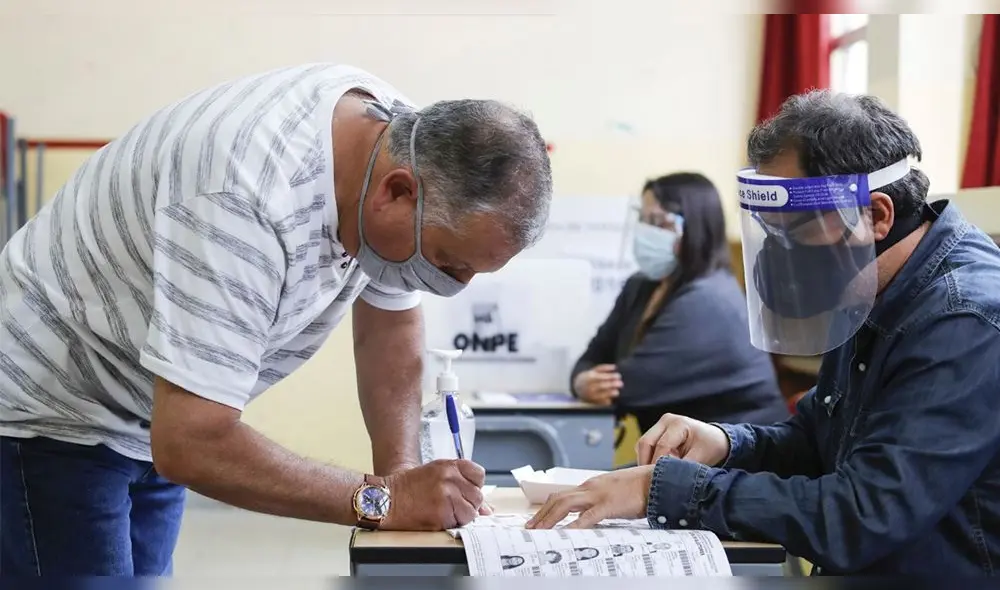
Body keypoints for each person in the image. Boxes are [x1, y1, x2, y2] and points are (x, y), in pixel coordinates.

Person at [0, 63, 552, 576]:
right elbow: (193, 441)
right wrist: (382, 500)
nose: (454, 287)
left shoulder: (401, 145)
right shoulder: (243, 195)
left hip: (150, 409)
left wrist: (401, 479)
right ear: (397, 192)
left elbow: (391, 322)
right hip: (54, 406)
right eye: (448, 263)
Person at [525, 90, 1000, 576]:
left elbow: (861, 516)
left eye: (794, 229)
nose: (780, 255)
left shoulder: (965, 319)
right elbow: (816, 442)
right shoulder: (870, 287)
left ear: (875, 217)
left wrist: (661, 489)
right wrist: (727, 442)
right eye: (770, 233)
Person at [570, 173, 787, 434]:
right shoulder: (641, 286)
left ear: (695, 230)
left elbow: (628, 387)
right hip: (685, 455)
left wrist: (585, 382)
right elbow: (592, 356)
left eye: (659, 222)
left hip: (742, 455)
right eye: (643, 219)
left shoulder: (709, 300)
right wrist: (580, 381)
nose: (646, 231)